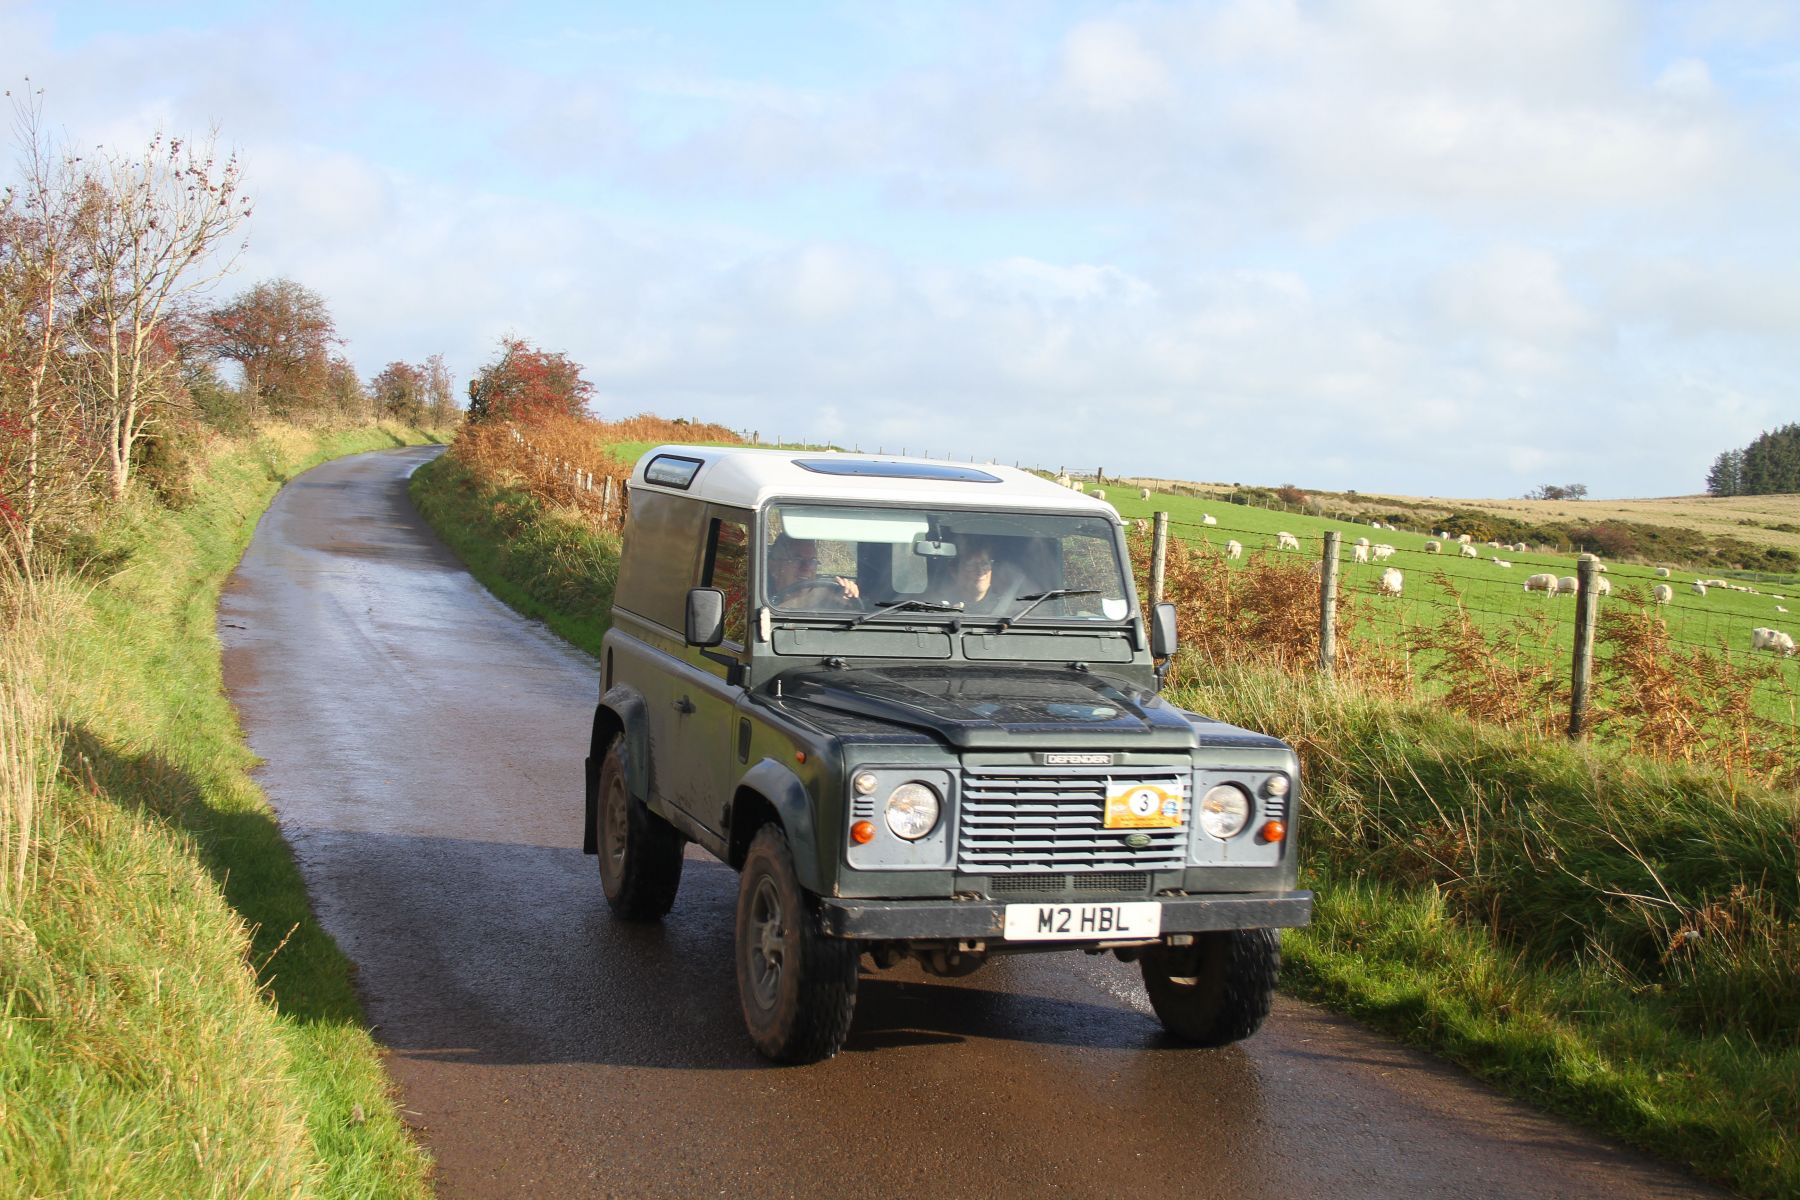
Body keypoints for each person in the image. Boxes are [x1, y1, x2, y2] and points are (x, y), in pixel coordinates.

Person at [766, 535, 861, 609]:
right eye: (797, 559)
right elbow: (767, 619)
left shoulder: (827, 598)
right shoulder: (762, 594)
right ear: (773, 566)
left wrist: (848, 594)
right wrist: (810, 598)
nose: (806, 568)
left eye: (812, 561)